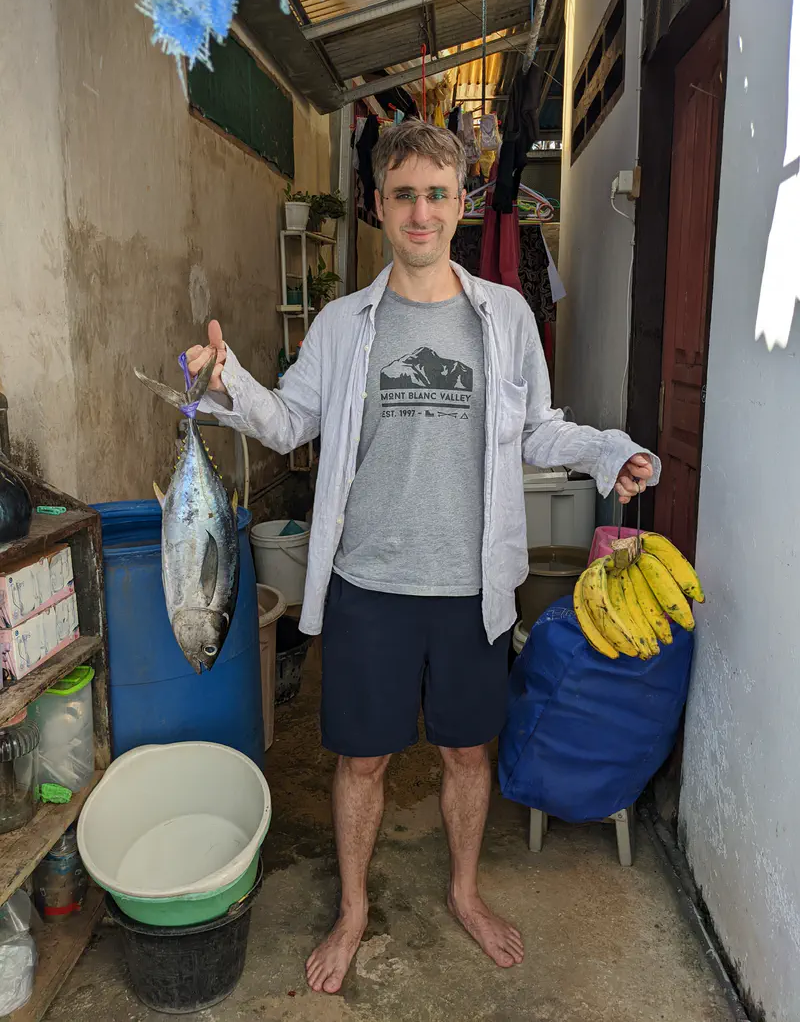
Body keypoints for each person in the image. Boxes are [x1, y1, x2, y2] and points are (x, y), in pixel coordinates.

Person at [186, 121, 658, 995]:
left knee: (466, 754)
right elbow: (290, 422)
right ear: (378, 204)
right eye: (403, 193)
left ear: (461, 203)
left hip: (471, 585)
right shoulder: (342, 324)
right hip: (369, 582)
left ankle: (466, 890)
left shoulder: (505, 315)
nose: (420, 210)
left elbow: (538, 429)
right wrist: (227, 383)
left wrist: (605, 453)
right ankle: (355, 906)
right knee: (362, 759)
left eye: (437, 193)